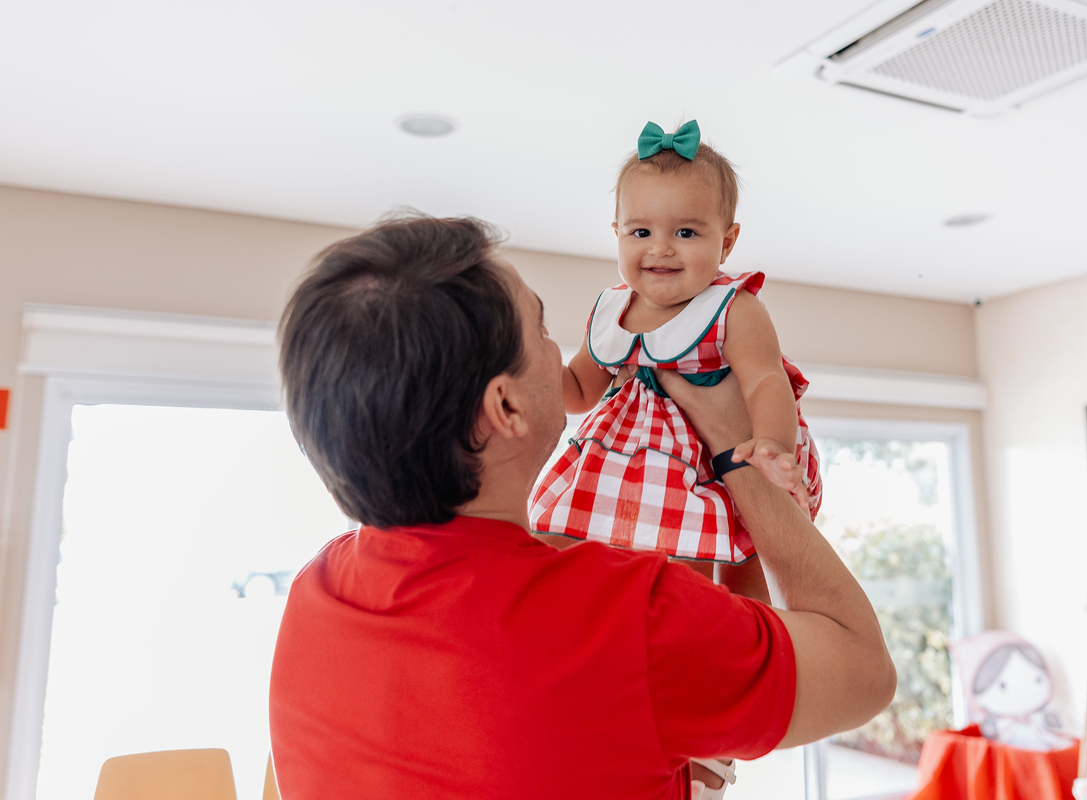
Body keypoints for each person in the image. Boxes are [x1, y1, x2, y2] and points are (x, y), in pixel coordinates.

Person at [268, 215, 895, 800]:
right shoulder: (631, 619)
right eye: (540, 331)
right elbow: (863, 670)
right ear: (505, 408)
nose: (559, 350)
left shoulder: (314, 598)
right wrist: (735, 453)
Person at [530, 120, 822, 577]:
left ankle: (732, 636)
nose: (661, 248)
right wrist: (532, 361)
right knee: (564, 539)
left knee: (713, 569)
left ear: (725, 243)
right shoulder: (612, 310)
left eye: (685, 233)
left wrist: (771, 444)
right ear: (617, 234)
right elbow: (579, 392)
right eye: (640, 233)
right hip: (626, 462)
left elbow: (767, 380)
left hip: (708, 461)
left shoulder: (732, 307)